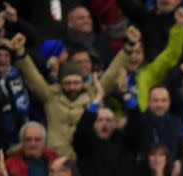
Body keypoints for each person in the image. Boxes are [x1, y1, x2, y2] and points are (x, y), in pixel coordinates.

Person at [9, 28, 136, 157]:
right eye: (68, 83)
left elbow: (111, 74)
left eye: (76, 82)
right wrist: (21, 53)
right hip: (55, 158)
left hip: (86, 158)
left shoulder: (93, 93)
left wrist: (128, 47)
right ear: (61, 83)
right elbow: (33, 78)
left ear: (82, 81)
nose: (72, 87)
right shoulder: (51, 96)